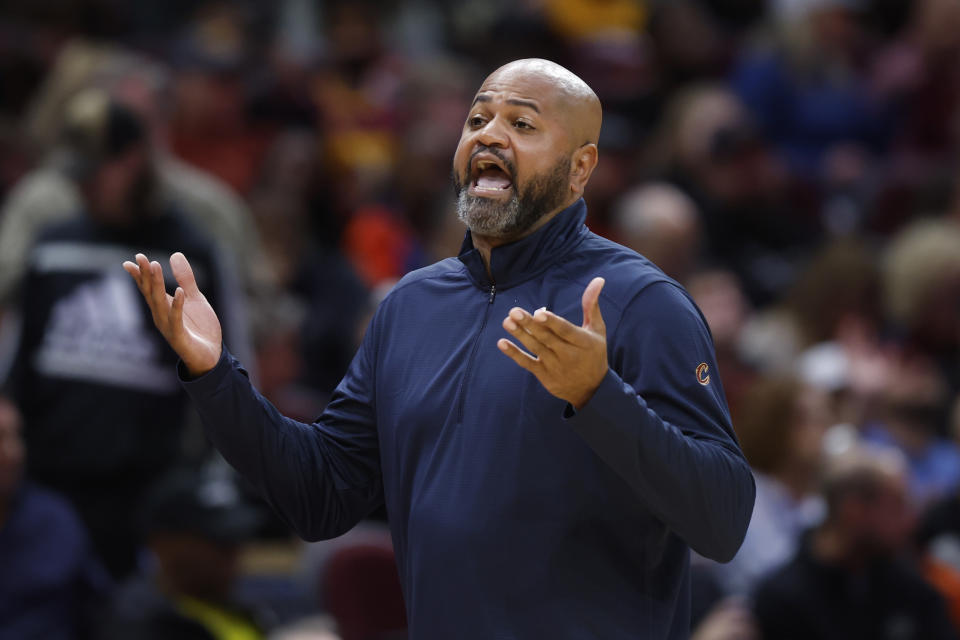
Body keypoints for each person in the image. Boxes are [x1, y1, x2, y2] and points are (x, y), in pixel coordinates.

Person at [124, 58, 755, 639]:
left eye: (523, 123)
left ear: (580, 168)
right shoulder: (410, 307)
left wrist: (599, 396)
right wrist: (214, 375)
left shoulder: (640, 304)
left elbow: (722, 521)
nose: (489, 135)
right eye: (478, 119)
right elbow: (320, 495)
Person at [6, 90, 242, 578]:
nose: (84, 187)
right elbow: (18, 364)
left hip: (150, 493)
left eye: (95, 172)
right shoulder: (53, 245)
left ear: (134, 161)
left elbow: (229, 370)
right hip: (53, 485)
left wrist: (206, 477)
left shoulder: (189, 254)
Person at [753, 447, 957, 640]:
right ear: (854, 510)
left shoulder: (913, 591)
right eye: (898, 507)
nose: (911, 522)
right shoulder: (782, 602)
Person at [100, 468, 268, 640]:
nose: (234, 554)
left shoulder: (231, 605)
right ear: (165, 544)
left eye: (237, 539)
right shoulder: (139, 623)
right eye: (220, 542)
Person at [0, 395, 110, 640]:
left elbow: (97, 606)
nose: (13, 452)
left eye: (16, 436)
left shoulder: (54, 521)